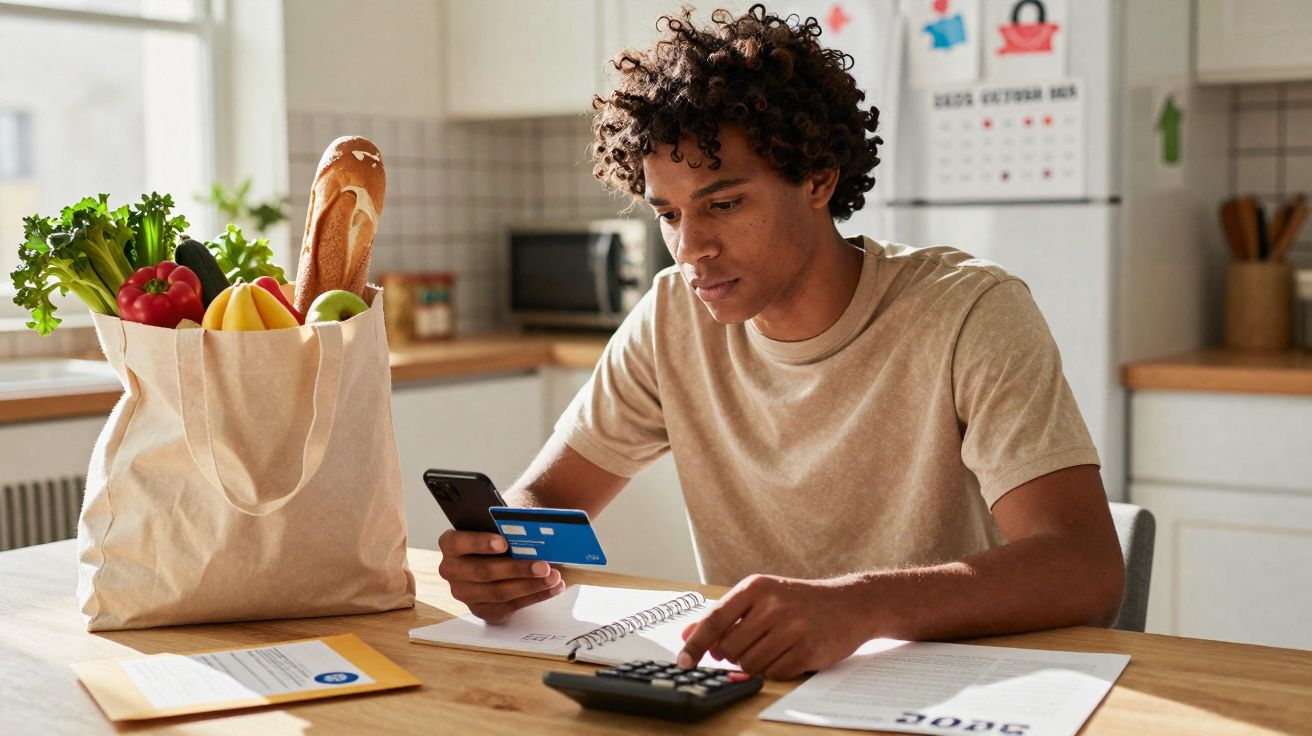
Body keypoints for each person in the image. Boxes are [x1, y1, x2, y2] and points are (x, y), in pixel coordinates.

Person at [436, 4, 1125, 681]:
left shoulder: (970, 312)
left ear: (819, 179)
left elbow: (1085, 565)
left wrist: (859, 608)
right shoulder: (672, 318)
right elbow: (546, 498)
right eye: (668, 215)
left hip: (951, 690)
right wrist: (505, 555)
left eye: (724, 203)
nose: (691, 249)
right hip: (753, 692)